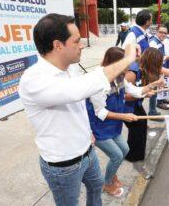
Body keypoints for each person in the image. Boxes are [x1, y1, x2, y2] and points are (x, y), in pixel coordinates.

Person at [18, 13, 139, 206]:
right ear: (58, 45)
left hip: (87, 151)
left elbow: (79, 105)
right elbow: (79, 90)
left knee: (96, 187)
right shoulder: (34, 80)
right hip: (64, 165)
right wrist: (128, 58)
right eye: (76, 41)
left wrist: (87, 133)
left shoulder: (70, 68)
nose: (82, 45)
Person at [86, 47, 164, 197]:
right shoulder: (99, 82)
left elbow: (135, 90)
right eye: (125, 66)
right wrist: (124, 116)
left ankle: (112, 172)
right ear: (114, 63)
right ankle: (107, 183)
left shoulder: (119, 77)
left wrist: (153, 85)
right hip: (98, 128)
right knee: (116, 155)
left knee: (125, 150)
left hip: (113, 125)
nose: (128, 70)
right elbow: (100, 112)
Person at [124, 47, 169, 162]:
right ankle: (132, 156)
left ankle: (134, 153)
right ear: (152, 62)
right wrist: (145, 94)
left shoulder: (149, 66)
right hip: (125, 106)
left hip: (136, 103)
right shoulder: (132, 73)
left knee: (141, 124)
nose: (160, 68)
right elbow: (122, 97)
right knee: (137, 127)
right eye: (159, 64)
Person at [148, 25, 169, 114]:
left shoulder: (160, 42)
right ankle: (152, 111)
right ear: (157, 32)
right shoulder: (154, 42)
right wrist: (167, 57)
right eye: (161, 32)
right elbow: (152, 58)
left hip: (157, 69)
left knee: (155, 90)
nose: (163, 34)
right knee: (153, 91)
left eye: (165, 33)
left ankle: (153, 109)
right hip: (153, 69)